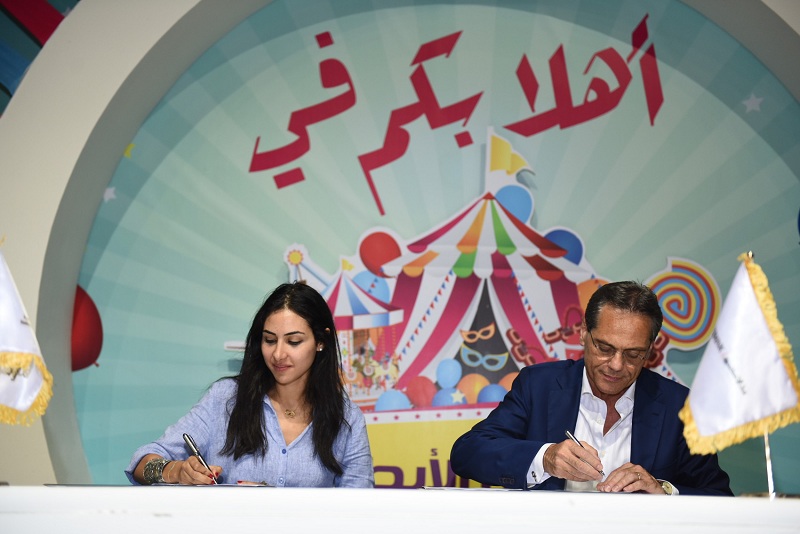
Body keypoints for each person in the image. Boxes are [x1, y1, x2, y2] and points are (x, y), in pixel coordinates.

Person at [450, 281, 732, 495]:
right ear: (584, 332)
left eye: (633, 354)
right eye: (605, 348)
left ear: (649, 351)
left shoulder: (677, 405)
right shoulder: (539, 385)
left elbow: (719, 496)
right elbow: (467, 452)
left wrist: (663, 491)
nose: (616, 365)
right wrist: (545, 458)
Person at [126, 282, 374, 487]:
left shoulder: (347, 418)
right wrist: (176, 471)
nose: (278, 354)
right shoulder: (225, 399)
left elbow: (361, 507)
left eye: (294, 342)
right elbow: (141, 463)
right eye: (269, 340)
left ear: (321, 342)